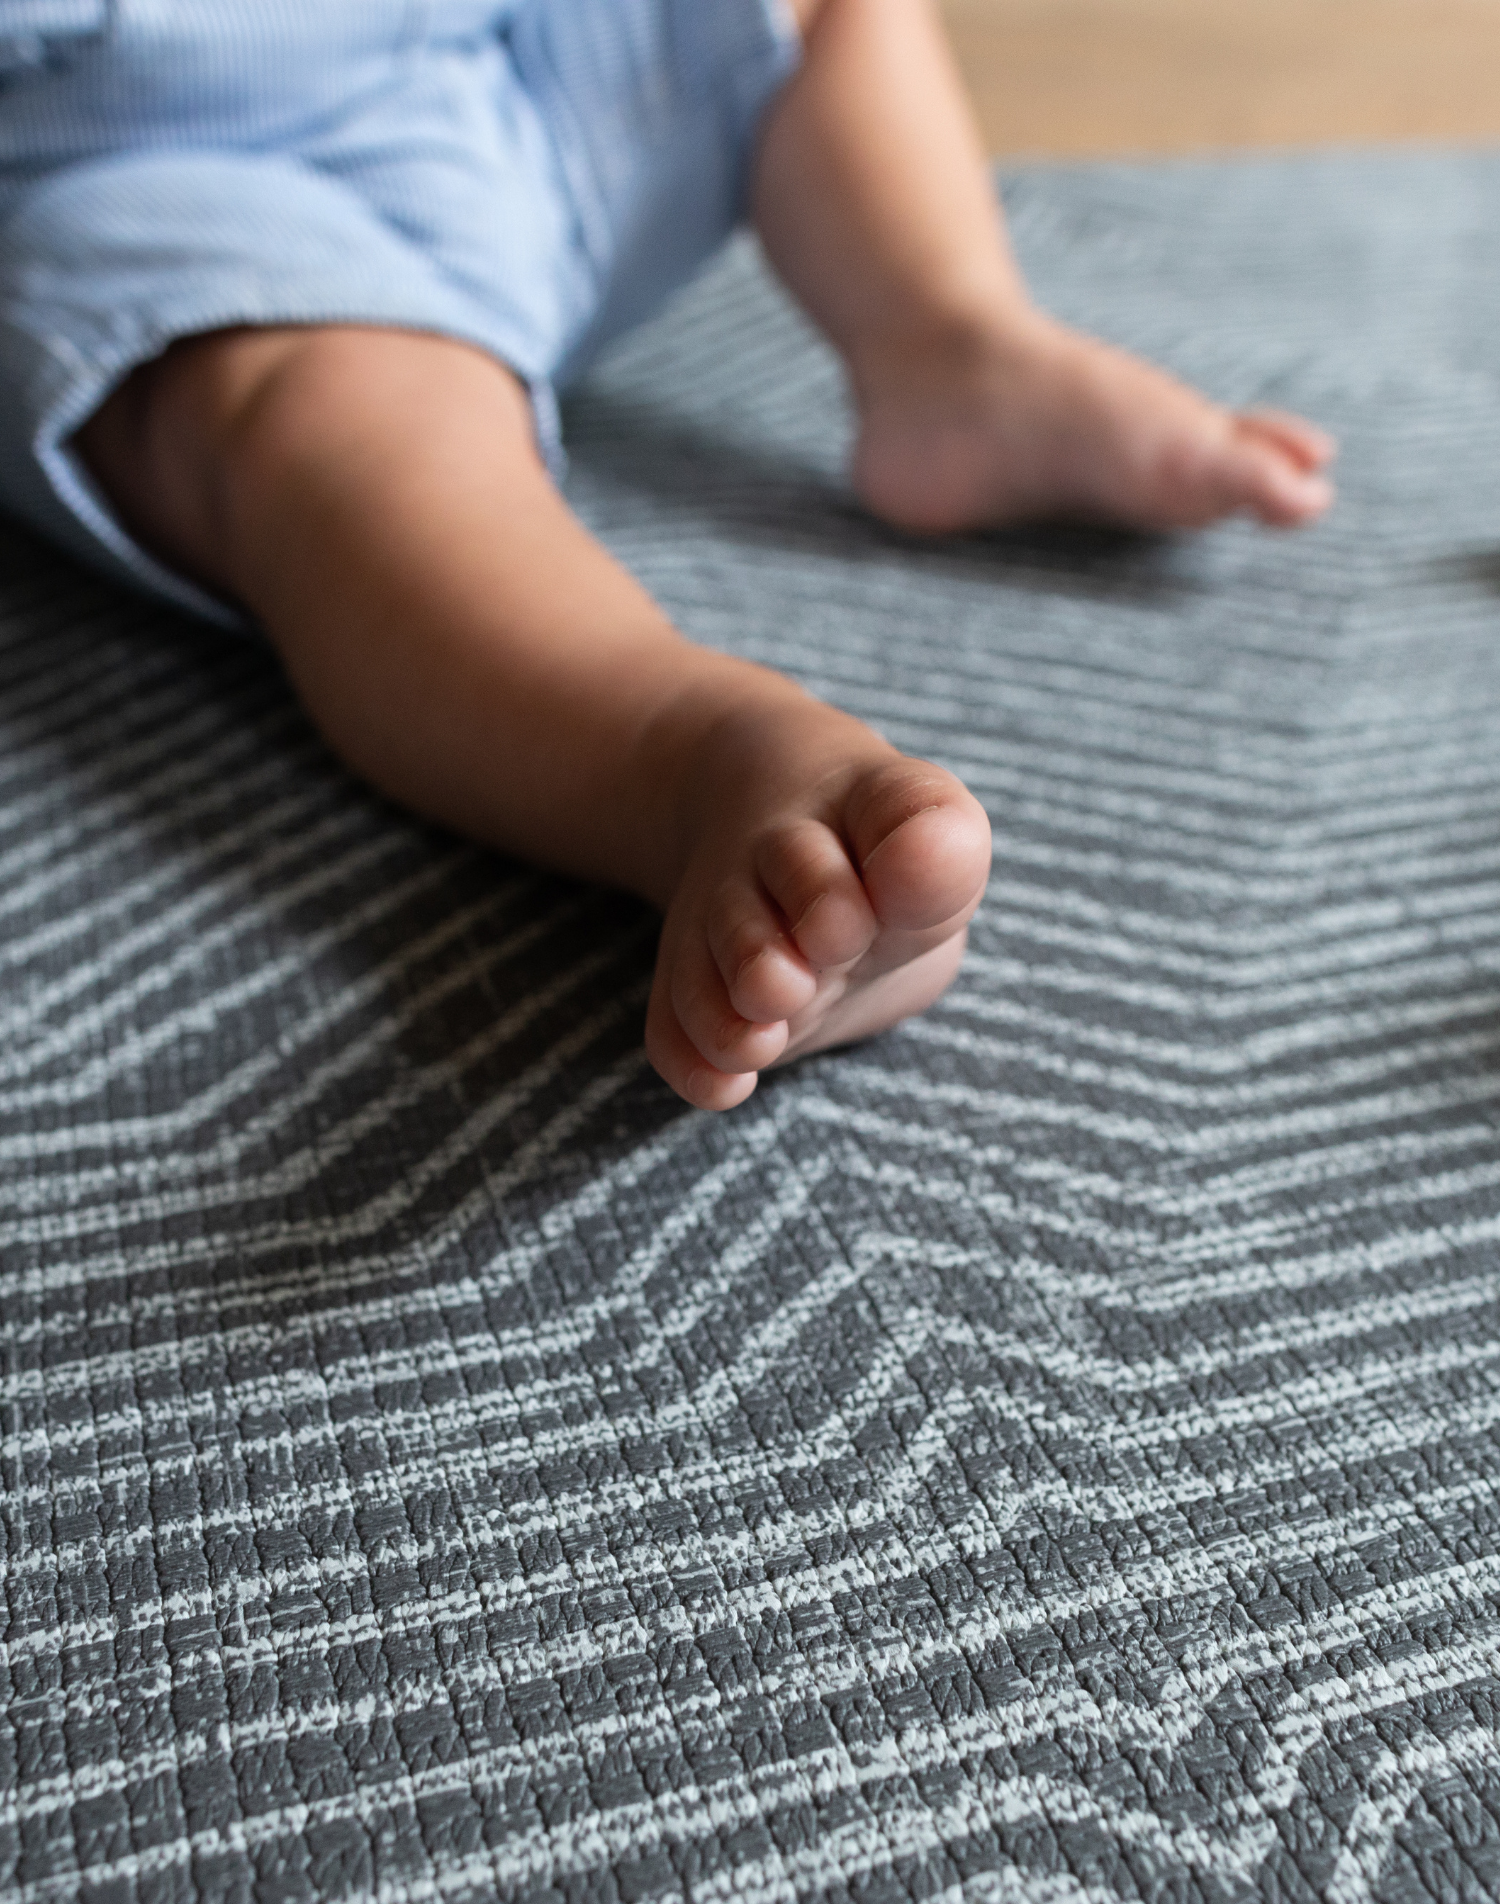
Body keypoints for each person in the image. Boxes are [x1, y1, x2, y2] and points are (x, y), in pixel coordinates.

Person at [0, 0, 1335, 1109]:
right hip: (177, 181)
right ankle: (682, 750)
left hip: (491, 65)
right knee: (347, 441)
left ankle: (948, 339)